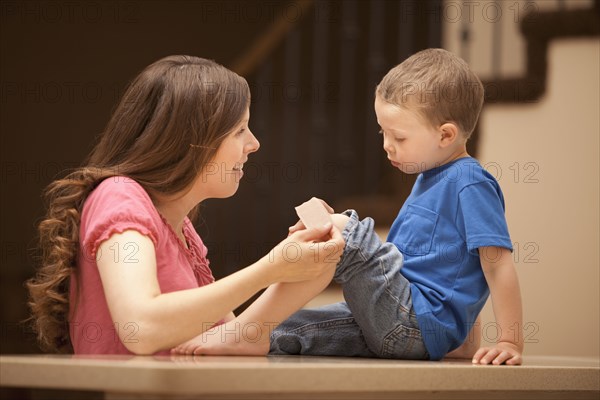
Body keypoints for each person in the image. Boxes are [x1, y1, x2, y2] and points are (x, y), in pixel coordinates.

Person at [174, 48, 524, 366]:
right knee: (289, 331)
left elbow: (494, 262)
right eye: (382, 133)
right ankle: (248, 336)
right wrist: (463, 341)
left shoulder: (469, 180)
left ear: (446, 135)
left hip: (411, 322)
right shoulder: (431, 179)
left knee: (341, 230)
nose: (387, 146)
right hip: (401, 328)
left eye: (399, 137)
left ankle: (248, 331)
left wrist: (509, 339)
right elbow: (459, 269)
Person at [25, 55, 345, 355]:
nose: (253, 143)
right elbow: (141, 328)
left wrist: (303, 270)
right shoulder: (119, 195)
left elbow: (232, 339)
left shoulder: (182, 228)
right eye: (239, 130)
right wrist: (271, 268)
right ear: (193, 140)